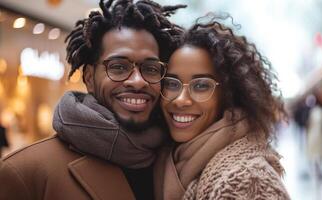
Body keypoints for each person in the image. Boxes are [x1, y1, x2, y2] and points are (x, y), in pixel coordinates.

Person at [0, 0, 185, 199]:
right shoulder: (25, 172)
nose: (138, 81)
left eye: (150, 69)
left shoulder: (179, 160)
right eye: (118, 67)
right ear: (89, 77)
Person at [154, 17, 290, 199]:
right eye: (171, 84)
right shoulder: (166, 160)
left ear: (228, 94)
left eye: (201, 85)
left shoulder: (247, 181)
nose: (181, 100)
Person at [305, 92, 322, 183]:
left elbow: (308, 124)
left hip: (313, 135)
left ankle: (318, 168)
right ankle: (319, 168)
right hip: (321, 135)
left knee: (315, 153)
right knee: (320, 153)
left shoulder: (313, 112)